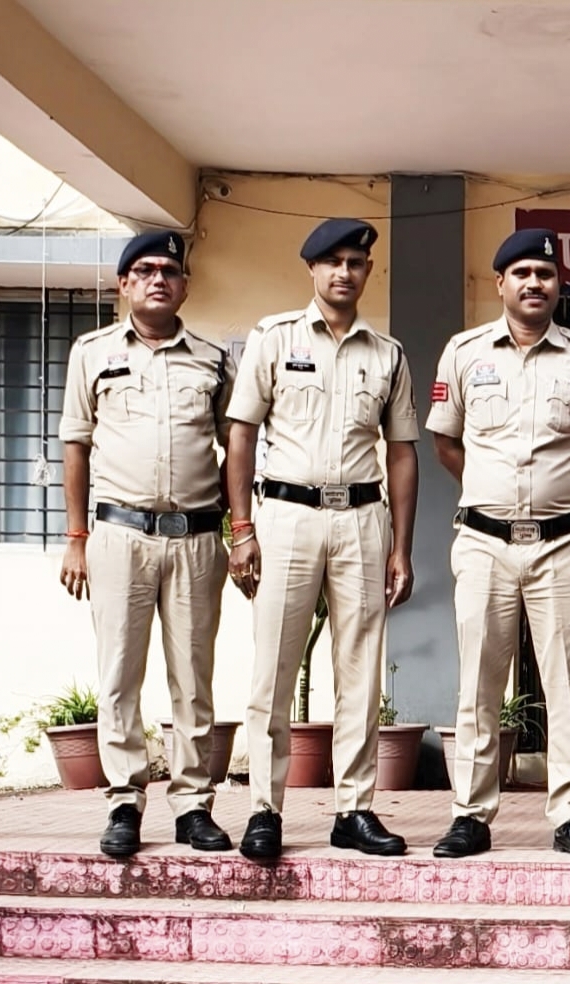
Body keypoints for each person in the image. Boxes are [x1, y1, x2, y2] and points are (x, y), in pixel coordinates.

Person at [225, 218, 420, 859]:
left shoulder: (387, 354)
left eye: (355, 262)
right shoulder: (274, 337)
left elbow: (402, 452)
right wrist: (242, 530)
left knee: (360, 669)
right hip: (286, 516)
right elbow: (241, 435)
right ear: (312, 268)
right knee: (274, 667)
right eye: (333, 261)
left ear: (368, 272)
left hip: (361, 518)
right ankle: (264, 809)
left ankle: (354, 810)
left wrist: (400, 547)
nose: (344, 272)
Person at [427, 228, 570, 861]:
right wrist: (493, 497)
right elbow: (446, 442)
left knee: (566, 683)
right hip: (484, 542)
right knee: (479, 683)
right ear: (500, 283)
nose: (534, 283)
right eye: (522, 273)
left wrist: (557, 495)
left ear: (559, 285)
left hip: (561, 544)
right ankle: (470, 814)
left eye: (545, 273)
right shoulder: (463, 352)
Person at [58, 230, 234, 857]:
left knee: (194, 678)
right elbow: (75, 445)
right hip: (119, 536)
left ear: (184, 286)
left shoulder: (212, 360)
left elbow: (236, 447)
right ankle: (124, 803)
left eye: (170, 271)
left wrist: (238, 527)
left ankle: (192, 805)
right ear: (124, 284)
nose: (159, 279)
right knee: (119, 675)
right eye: (146, 269)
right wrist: (75, 538)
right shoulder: (91, 353)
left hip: (195, 540)